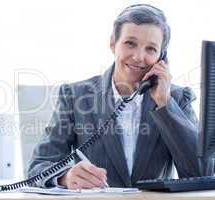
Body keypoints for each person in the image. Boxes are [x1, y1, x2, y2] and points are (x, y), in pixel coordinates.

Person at [27, 4, 201, 189]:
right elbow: (38, 167)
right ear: (113, 43)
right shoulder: (75, 96)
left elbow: (202, 173)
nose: (138, 57)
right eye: (130, 43)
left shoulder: (178, 99)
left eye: (150, 49)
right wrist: (64, 177)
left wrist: (164, 104)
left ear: (161, 57)